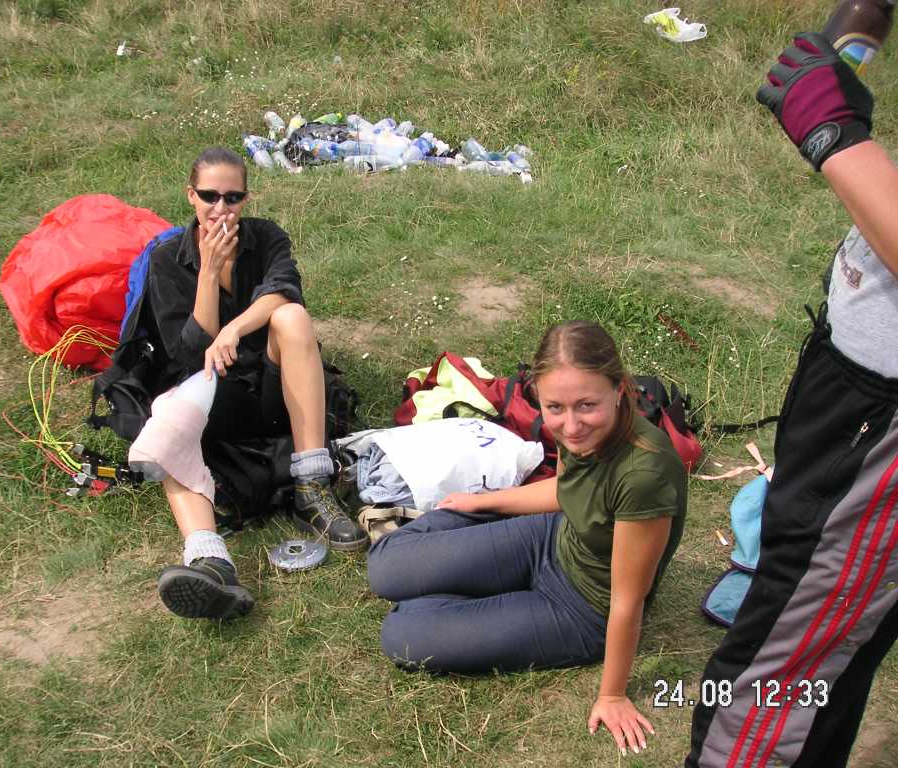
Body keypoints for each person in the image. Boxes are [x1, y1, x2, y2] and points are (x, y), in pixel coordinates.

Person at [686, 33, 898, 768]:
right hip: (853, 388)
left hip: (883, 427)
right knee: (818, 644)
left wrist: (837, 137)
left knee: (778, 677)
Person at [367, 320, 687, 758]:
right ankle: (456, 587)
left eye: (587, 405)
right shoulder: (579, 432)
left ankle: (453, 599)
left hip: (583, 608)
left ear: (619, 389)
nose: (570, 425)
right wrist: (486, 502)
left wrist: (612, 695)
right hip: (553, 538)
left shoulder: (644, 475)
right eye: (555, 407)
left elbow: (627, 601)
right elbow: (565, 491)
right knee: (385, 566)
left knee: (402, 634)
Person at [128, 147, 368, 623]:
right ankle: (210, 560)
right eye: (210, 197)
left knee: (292, 317)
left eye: (233, 197)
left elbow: (284, 291)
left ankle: (312, 485)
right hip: (215, 393)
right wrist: (208, 273)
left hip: (274, 389)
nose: (221, 209)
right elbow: (187, 355)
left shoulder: (265, 237)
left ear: (246, 198)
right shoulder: (167, 260)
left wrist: (234, 330)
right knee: (170, 422)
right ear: (191, 196)